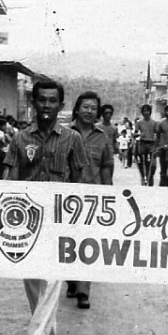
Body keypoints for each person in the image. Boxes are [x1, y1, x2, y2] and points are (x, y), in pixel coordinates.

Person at [3, 79, 88, 335]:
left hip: (58, 219)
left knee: (52, 278)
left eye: (53, 101)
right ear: (34, 103)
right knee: (31, 277)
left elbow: (80, 182)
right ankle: (47, 327)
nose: (47, 106)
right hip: (25, 220)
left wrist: (78, 220)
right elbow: (10, 179)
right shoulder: (19, 139)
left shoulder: (72, 139)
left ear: (60, 104)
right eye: (42, 100)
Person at [66, 91, 114, 308]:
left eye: (93, 108)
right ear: (77, 109)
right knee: (67, 242)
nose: (89, 111)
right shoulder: (63, 134)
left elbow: (106, 168)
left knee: (88, 243)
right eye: (85, 107)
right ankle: (71, 279)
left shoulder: (102, 137)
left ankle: (83, 292)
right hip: (65, 197)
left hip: (92, 198)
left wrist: (108, 196)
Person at [135, 104, 157, 186]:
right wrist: (138, 135)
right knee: (143, 163)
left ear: (150, 112)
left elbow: (157, 133)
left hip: (151, 144)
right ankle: (143, 179)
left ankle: (150, 179)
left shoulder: (154, 122)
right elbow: (135, 133)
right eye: (144, 111)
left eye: (147, 111)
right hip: (142, 143)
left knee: (152, 164)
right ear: (142, 112)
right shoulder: (139, 122)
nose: (146, 112)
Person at [97, 104, 119, 183]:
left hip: (109, 157)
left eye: (110, 113)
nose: (108, 115)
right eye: (106, 113)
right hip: (98, 156)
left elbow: (114, 141)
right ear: (102, 114)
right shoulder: (96, 127)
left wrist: (117, 150)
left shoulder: (114, 128)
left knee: (108, 179)